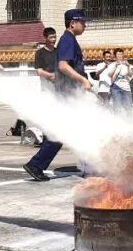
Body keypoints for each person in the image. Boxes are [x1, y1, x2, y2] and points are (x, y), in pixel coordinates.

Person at [22, 9, 92, 182]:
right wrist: (82, 80)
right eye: (82, 22)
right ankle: (37, 165)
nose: (85, 25)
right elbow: (63, 66)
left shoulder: (69, 40)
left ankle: (37, 165)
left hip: (70, 94)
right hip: (68, 96)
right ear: (72, 23)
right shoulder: (67, 40)